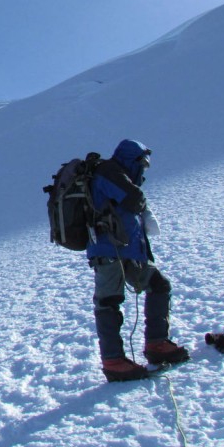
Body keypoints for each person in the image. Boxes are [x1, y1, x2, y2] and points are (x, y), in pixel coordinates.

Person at [87, 139, 189, 382]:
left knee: (158, 285)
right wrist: (139, 197)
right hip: (109, 250)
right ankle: (113, 360)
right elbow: (133, 199)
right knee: (109, 301)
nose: (144, 168)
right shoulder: (108, 172)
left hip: (127, 251)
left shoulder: (117, 172)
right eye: (142, 163)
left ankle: (157, 344)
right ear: (131, 159)